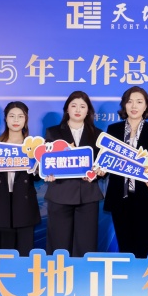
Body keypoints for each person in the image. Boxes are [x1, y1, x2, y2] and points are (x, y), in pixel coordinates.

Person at [103, 86, 148, 258]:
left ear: (146, 106)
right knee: (125, 249)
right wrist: (101, 170)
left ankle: (147, 275)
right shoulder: (113, 130)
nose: (134, 106)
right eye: (129, 101)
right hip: (120, 198)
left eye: (139, 102)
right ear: (124, 105)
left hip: (147, 198)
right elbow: (106, 161)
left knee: (147, 249)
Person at [44, 91, 104, 257]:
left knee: (86, 245)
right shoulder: (53, 132)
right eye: (74, 105)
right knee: (58, 245)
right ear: (67, 109)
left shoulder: (98, 134)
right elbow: (46, 161)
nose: (78, 110)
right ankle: (57, 272)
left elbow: (102, 163)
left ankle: (83, 274)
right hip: (60, 194)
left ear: (88, 111)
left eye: (82, 106)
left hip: (88, 195)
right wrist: (48, 172)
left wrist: (100, 172)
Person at [0, 101, 40, 256]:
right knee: (3, 254)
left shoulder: (34, 145)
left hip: (25, 204)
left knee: (25, 253)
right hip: (1, 203)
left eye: (20, 116)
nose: (16, 120)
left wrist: (36, 168)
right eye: (12, 116)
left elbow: (37, 177)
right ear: (5, 119)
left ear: (26, 120)